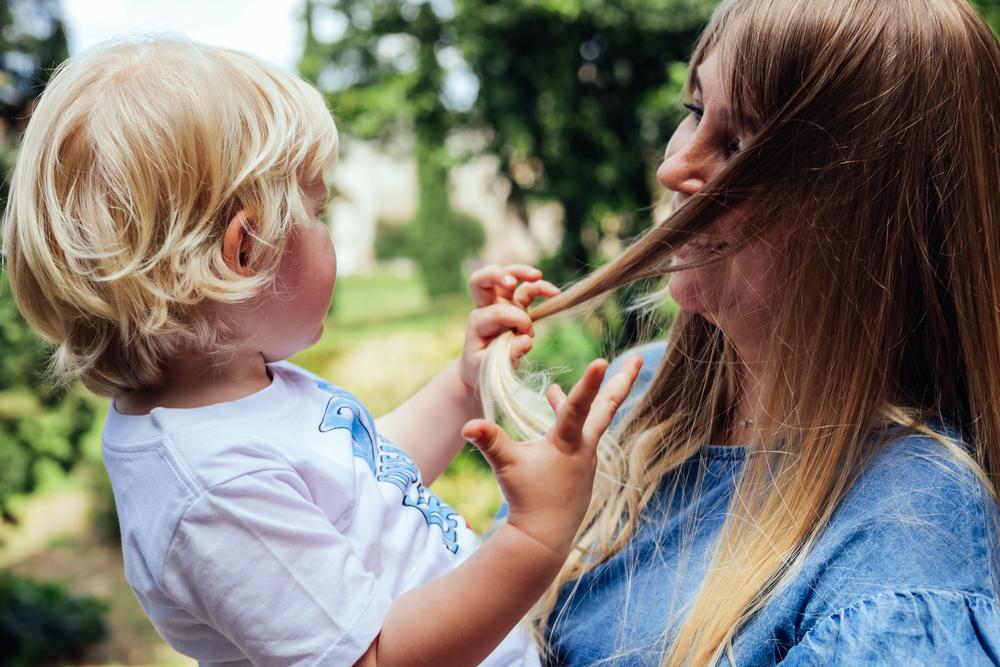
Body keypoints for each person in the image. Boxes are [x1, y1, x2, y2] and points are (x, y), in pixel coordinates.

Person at [1, 38, 644, 666]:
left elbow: (360, 480)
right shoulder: (217, 488)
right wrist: (537, 532)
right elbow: (376, 657)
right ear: (246, 249)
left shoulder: (241, 394)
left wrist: (463, 380)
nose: (328, 229)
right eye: (317, 208)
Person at [481, 0, 1000, 664]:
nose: (673, 168)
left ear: (871, 216)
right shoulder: (624, 400)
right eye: (694, 111)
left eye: (739, 144)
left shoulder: (904, 552)